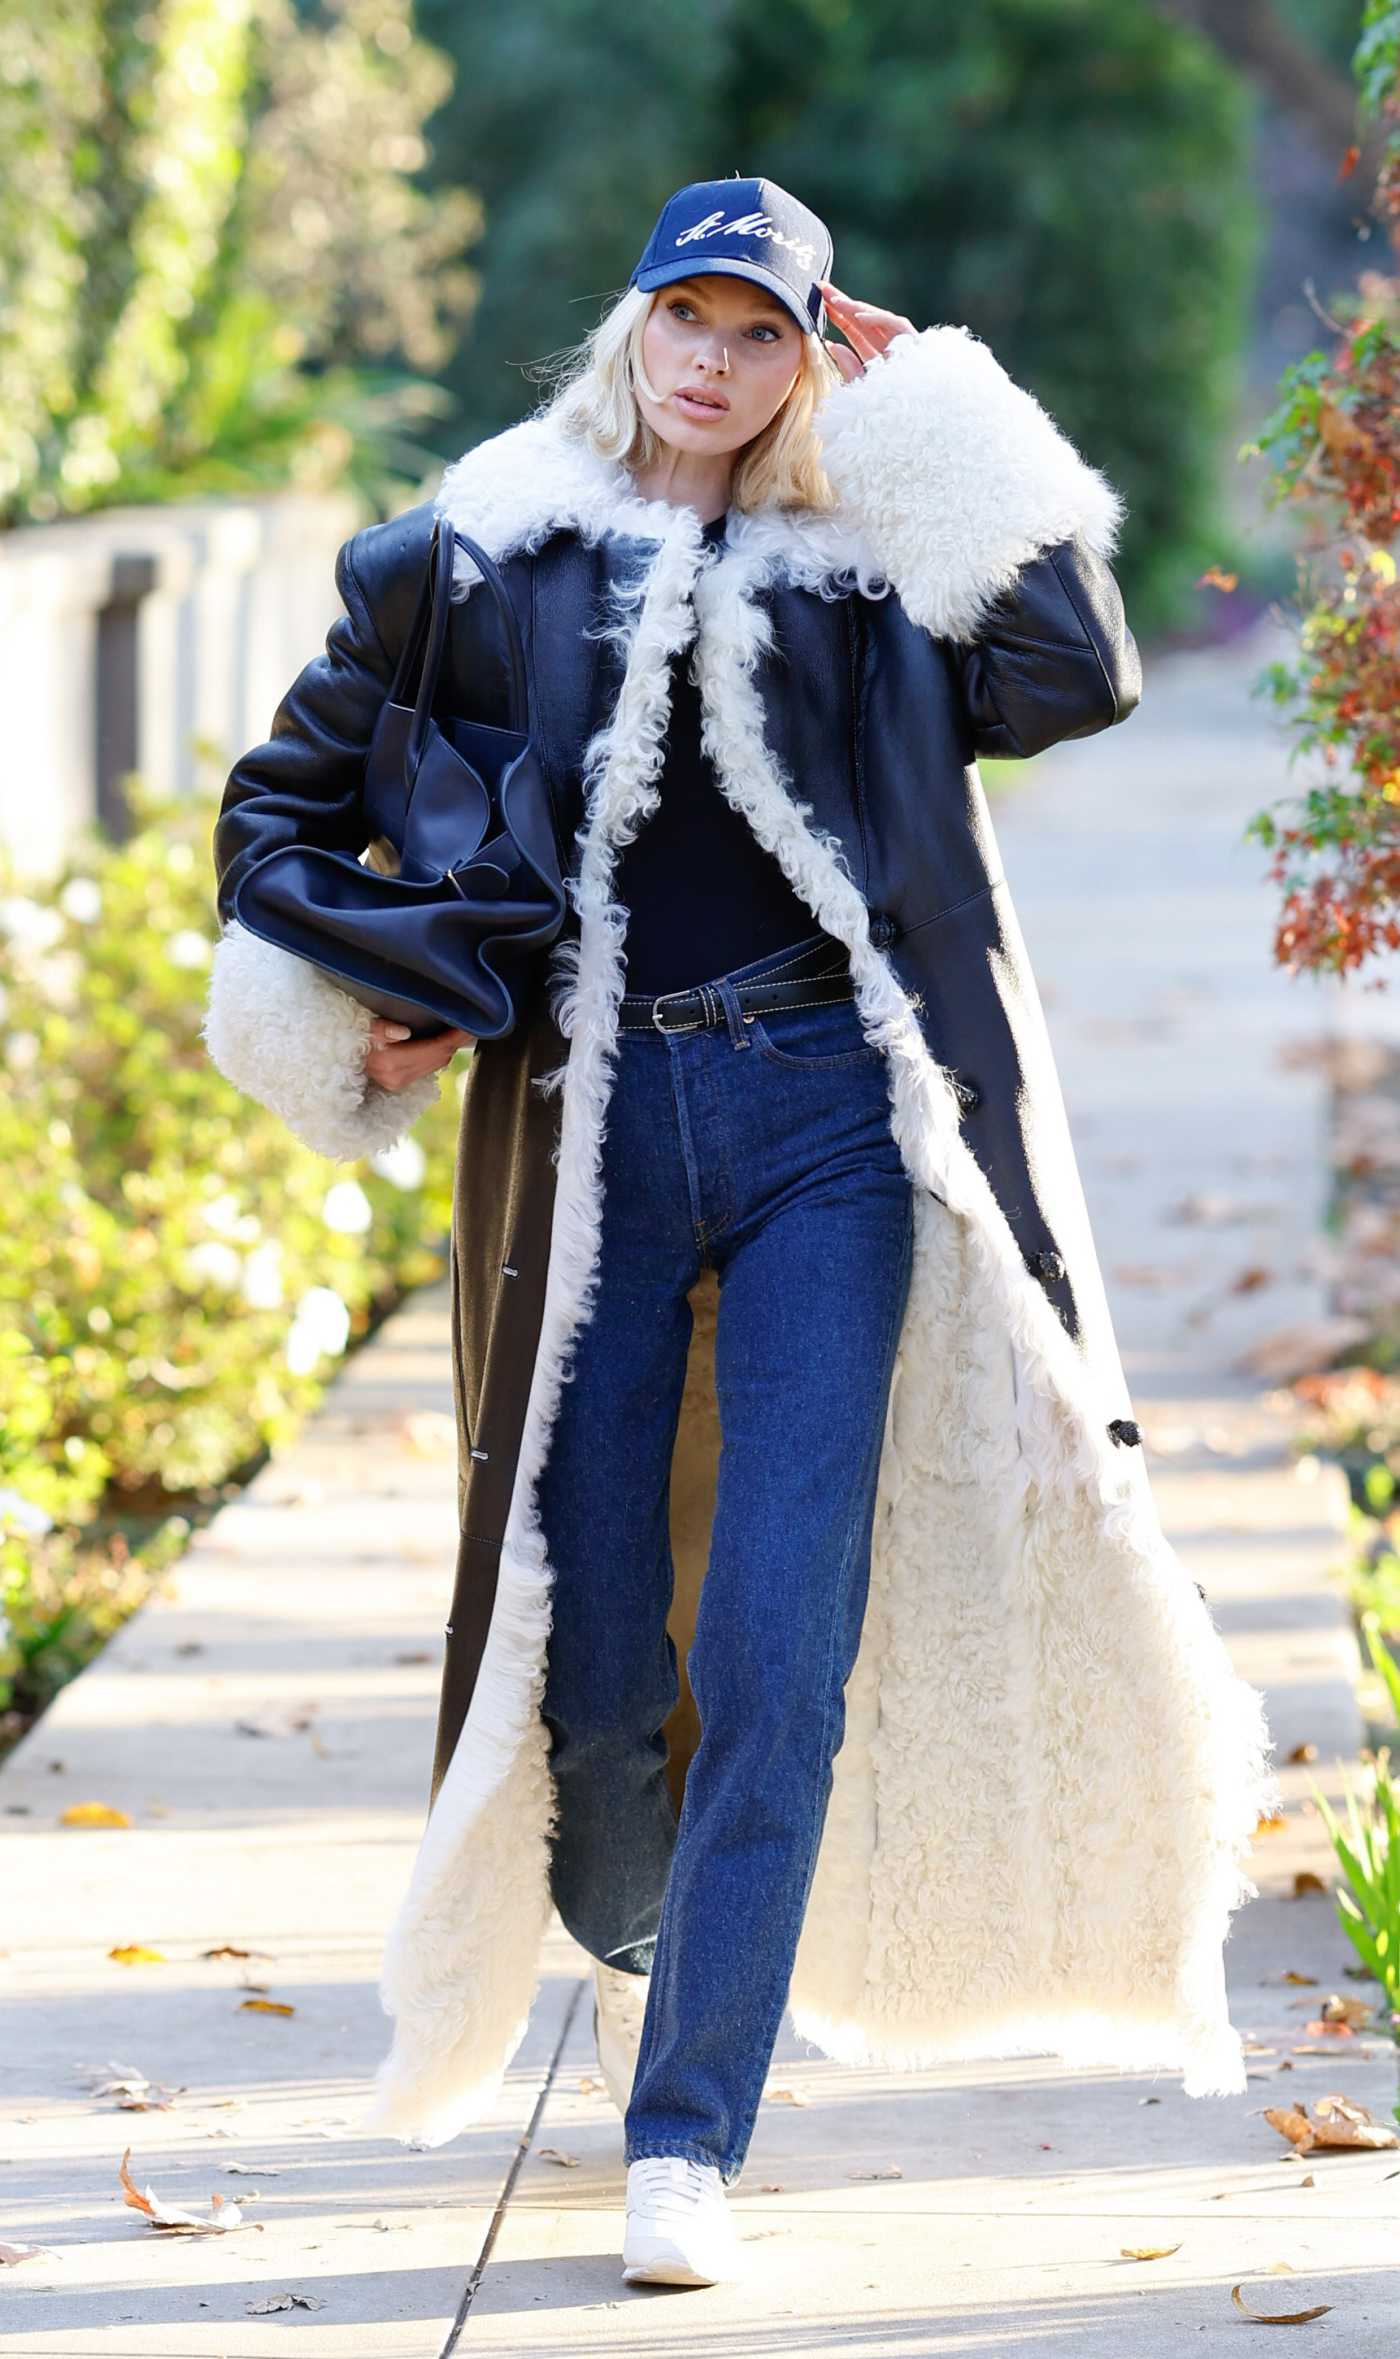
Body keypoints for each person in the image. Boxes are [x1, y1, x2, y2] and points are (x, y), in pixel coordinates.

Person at [205, 176, 1277, 2294]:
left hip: (827, 1127)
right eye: (680, 319)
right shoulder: (477, 555)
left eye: (759, 331)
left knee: (779, 1651)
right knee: (597, 1664)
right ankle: (638, 1942)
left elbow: (1081, 666)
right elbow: (275, 812)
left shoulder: (875, 574)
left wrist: (937, 414)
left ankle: (693, 2112)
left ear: (808, 359)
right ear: (627, 331)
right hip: (591, 1125)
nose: (709, 360)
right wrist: (377, 992)